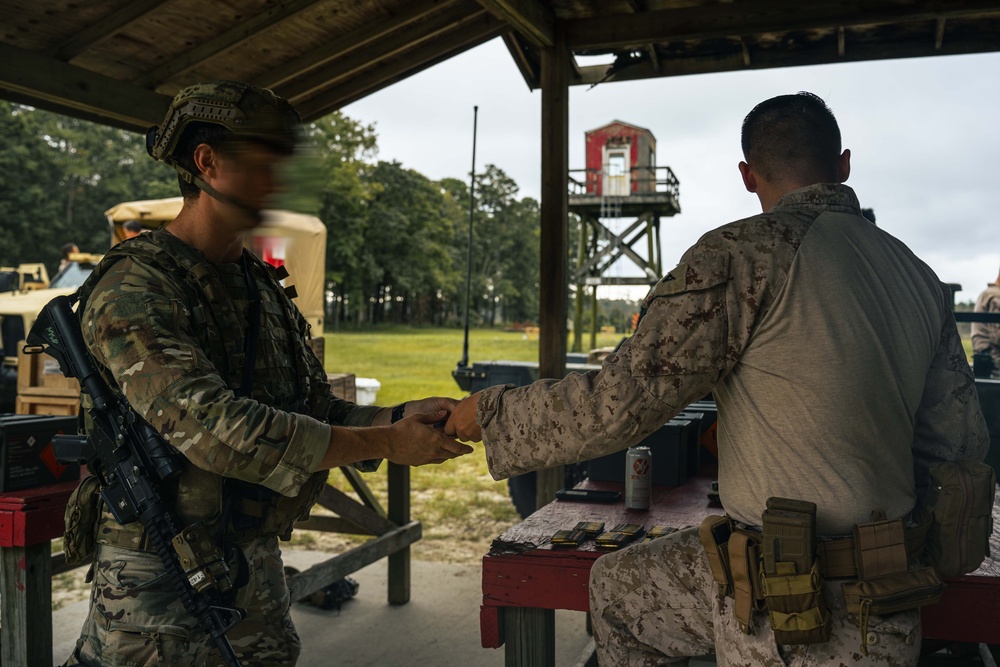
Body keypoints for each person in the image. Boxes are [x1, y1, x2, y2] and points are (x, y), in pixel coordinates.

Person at [446, 92, 989, 665]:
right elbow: (958, 444)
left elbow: (619, 404)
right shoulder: (917, 274)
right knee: (620, 589)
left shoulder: (742, 256)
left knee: (615, 598)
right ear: (844, 164)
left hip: (789, 612)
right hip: (892, 592)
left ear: (748, 176)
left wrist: (489, 414)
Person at [64, 80, 472, 666]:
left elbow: (311, 407)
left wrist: (399, 417)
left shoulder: (259, 286)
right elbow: (216, 429)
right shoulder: (136, 286)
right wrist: (385, 440)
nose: (281, 181)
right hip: (157, 582)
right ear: (207, 162)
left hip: (251, 559)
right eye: (265, 163)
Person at [971, 267, 1000, 377]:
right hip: (994, 360)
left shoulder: (987, 293)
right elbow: (997, 336)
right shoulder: (996, 296)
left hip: (986, 356)